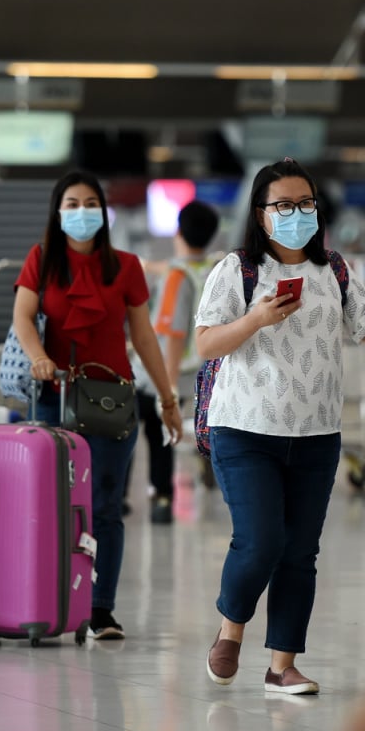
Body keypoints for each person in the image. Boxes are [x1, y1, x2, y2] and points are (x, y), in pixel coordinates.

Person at [196, 157, 365, 695]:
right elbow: (206, 342)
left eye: (305, 203)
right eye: (283, 205)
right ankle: (230, 628)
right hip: (244, 429)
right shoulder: (236, 269)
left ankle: (281, 665)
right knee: (260, 540)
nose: (297, 213)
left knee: (300, 552)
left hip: (316, 434)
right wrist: (256, 318)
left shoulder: (334, 269)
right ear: (261, 215)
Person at [11, 169, 183, 640]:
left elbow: (144, 336)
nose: (82, 212)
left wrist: (167, 399)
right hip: (54, 399)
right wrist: (40, 357)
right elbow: (23, 317)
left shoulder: (125, 266)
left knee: (105, 507)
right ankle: (48, 601)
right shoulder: (42, 260)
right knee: (50, 505)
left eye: (91, 204)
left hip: (110, 401)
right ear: (57, 211)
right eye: (72, 204)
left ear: (103, 214)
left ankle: (100, 609)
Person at [131, 200, 221, 523]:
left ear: (178, 231)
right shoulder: (207, 269)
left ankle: (134, 497)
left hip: (156, 374)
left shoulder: (175, 279)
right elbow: (166, 266)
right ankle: (164, 495)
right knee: (160, 436)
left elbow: (172, 334)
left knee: (132, 430)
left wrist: (164, 386)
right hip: (189, 373)